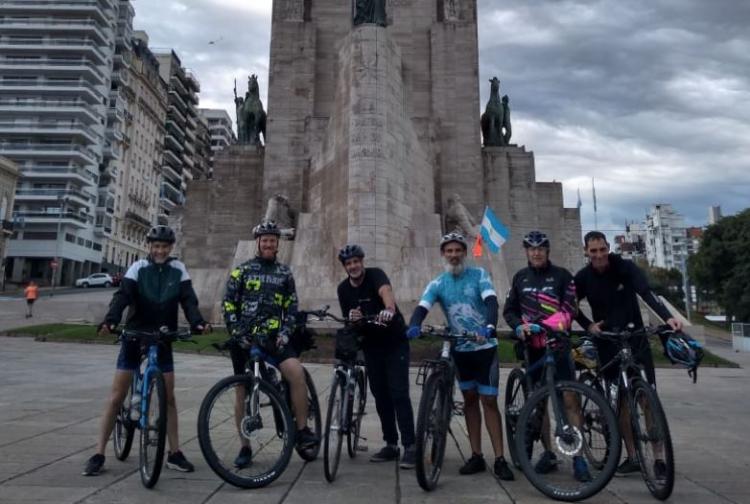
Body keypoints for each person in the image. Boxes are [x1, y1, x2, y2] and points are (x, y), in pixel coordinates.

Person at [82, 225, 211, 476]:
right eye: (156, 246)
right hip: (135, 334)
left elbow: (188, 300)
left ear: (170, 247)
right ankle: (98, 453)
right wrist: (111, 319)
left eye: (164, 246)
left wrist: (197, 321)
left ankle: (174, 453)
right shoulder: (138, 268)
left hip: (163, 336)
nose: (160, 250)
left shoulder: (178, 269)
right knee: (117, 395)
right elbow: (123, 296)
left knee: (170, 398)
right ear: (149, 247)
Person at [406, 232, 514, 480]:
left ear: (464, 253)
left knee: (488, 402)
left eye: (458, 251)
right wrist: (414, 324)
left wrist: (488, 326)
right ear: (443, 254)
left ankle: (499, 458)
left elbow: (491, 302)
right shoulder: (438, 283)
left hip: (484, 348)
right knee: (469, 401)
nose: (454, 255)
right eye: (449, 251)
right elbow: (422, 306)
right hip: (461, 350)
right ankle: (476, 455)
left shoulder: (479, 275)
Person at [574, 230, 682, 476]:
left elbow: (646, 292)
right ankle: (632, 455)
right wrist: (588, 325)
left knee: (647, 399)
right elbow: (569, 306)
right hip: (607, 340)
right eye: (593, 251)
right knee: (621, 402)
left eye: (602, 249)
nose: (599, 255)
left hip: (635, 338)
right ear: (586, 252)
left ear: (608, 247)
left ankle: (658, 458)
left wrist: (667, 317)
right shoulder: (582, 277)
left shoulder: (625, 268)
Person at [222, 220, 318, 468]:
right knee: (241, 391)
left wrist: (286, 333)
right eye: (264, 240)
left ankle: (302, 429)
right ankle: (245, 447)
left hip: (274, 337)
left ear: (277, 245)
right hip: (244, 338)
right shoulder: (241, 271)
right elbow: (229, 302)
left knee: (296, 373)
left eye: (272, 241)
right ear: (258, 243)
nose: (268, 244)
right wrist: (235, 331)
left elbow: (292, 308)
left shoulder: (285, 273)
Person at [502, 231, 591, 482]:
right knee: (537, 403)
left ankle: (579, 457)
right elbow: (509, 310)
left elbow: (569, 309)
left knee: (570, 400)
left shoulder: (562, 276)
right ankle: (549, 453)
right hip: (532, 349)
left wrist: (548, 326)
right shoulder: (520, 277)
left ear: (547, 250)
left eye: (540, 248)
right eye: (531, 248)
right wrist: (519, 326)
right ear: (526, 252)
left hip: (558, 346)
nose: (536, 252)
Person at [336, 244, 416, 468]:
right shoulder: (343, 290)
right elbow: (349, 320)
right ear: (345, 267)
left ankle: (410, 445)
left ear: (362, 262)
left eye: (356, 261)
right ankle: (391, 444)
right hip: (371, 345)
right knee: (381, 396)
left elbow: (385, 292)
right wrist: (353, 317)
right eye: (349, 263)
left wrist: (389, 309)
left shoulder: (375, 275)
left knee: (399, 393)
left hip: (394, 342)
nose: (353, 266)